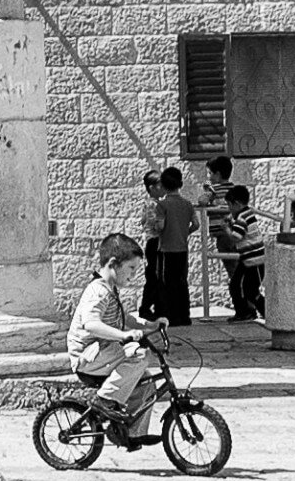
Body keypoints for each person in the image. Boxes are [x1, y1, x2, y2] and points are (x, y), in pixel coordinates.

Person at [67, 232, 155, 437]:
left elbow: (125, 318)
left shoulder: (110, 290)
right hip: (88, 357)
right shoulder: (97, 291)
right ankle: (105, 400)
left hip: (105, 352)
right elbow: (91, 324)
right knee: (139, 355)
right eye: (131, 268)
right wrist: (123, 336)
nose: (133, 275)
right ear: (114, 264)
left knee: (146, 383)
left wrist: (151, 324)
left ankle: (129, 434)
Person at [142, 161, 198, 326]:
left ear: (165, 186)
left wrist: (165, 232)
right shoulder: (187, 204)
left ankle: (169, 315)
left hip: (166, 248)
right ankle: (184, 316)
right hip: (182, 247)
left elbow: (160, 226)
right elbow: (195, 224)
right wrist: (182, 232)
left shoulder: (162, 205)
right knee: (182, 281)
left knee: (166, 282)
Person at [212, 181, 266, 323]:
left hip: (253, 260)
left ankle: (256, 312)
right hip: (249, 259)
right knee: (243, 287)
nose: (229, 209)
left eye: (230, 205)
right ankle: (250, 312)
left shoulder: (242, 218)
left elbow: (236, 237)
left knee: (246, 288)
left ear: (236, 204)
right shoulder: (248, 213)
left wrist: (226, 229)